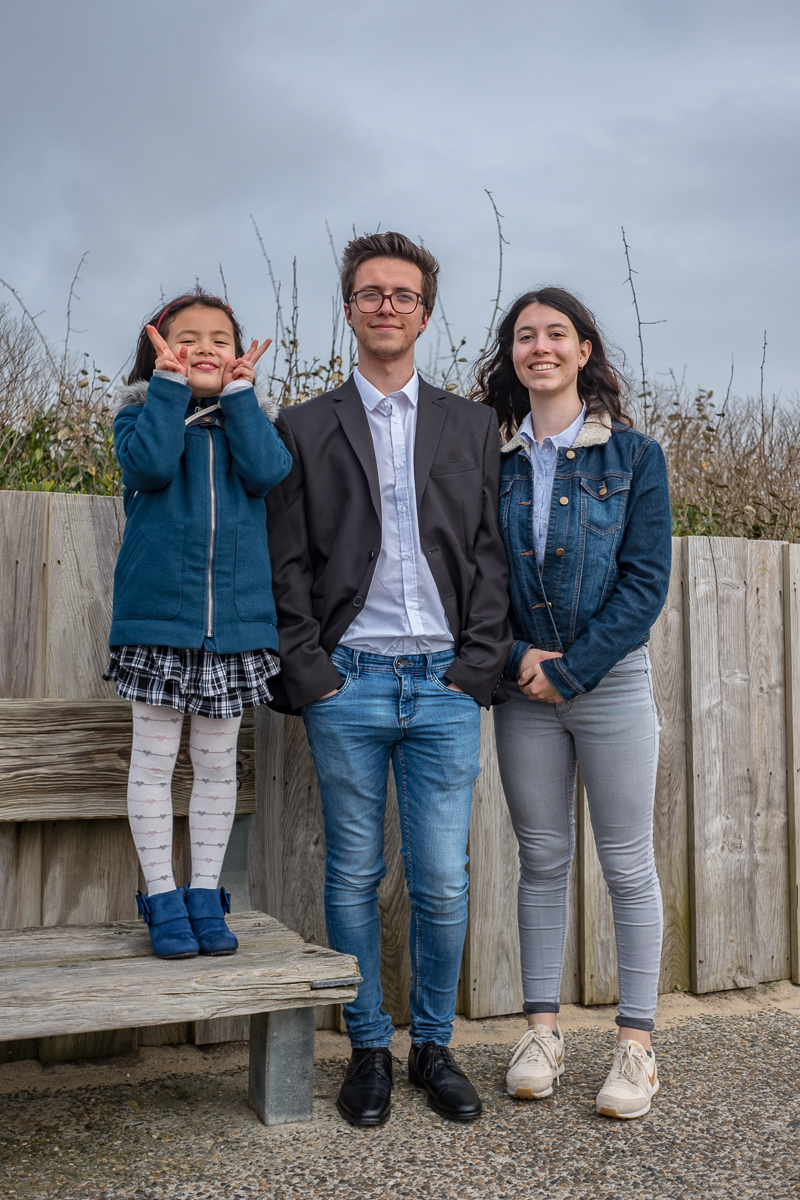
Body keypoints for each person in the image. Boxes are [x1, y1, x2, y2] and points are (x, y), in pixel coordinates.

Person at [266, 232, 511, 1126]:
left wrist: (475, 669)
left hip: (444, 683)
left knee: (442, 879)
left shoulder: (470, 425)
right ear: (349, 310)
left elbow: (488, 554)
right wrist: (313, 672)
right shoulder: (302, 426)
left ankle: (432, 1047)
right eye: (370, 293)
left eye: (403, 295)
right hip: (350, 683)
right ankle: (368, 1046)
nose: (386, 306)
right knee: (354, 873)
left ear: (425, 314)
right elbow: (286, 562)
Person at [473, 287, 671, 1119]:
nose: (541, 347)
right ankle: (541, 1034)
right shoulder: (490, 458)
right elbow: (471, 577)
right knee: (543, 859)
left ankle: (636, 1046)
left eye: (557, 333)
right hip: (524, 690)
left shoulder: (634, 458)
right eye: (525, 336)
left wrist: (573, 669)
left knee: (626, 862)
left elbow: (645, 584)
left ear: (584, 350)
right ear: (512, 356)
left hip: (611, 683)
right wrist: (518, 658)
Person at [104, 289, 291, 960]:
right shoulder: (140, 417)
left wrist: (240, 399)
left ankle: (206, 895)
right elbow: (150, 466)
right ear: (158, 350)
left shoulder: (249, 425)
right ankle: (161, 898)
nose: (205, 348)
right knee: (154, 764)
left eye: (220, 339)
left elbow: (269, 472)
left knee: (216, 766)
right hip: (160, 625)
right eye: (187, 338)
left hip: (234, 630)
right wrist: (166, 389)